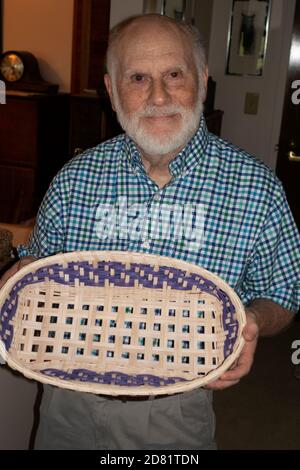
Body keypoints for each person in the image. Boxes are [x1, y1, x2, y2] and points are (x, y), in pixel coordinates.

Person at [1, 14, 299, 450]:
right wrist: (22, 274)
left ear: (202, 79)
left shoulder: (258, 190)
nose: (158, 96)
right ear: (111, 89)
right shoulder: (73, 179)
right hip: (65, 403)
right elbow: (40, 272)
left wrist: (253, 321)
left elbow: (283, 293)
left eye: (174, 75)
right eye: (138, 77)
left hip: (173, 413)